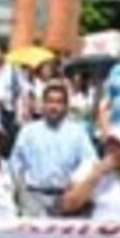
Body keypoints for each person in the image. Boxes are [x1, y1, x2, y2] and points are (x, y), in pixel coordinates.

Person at [9, 82, 98, 217]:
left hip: (65, 198)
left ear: (66, 106)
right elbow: (15, 164)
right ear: (42, 104)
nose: (54, 107)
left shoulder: (78, 132)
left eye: (59, 102)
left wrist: (76, 186)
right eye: (50, 101)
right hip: (34, 197)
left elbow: (90, 162)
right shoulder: (28, 131)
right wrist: (21, 195)